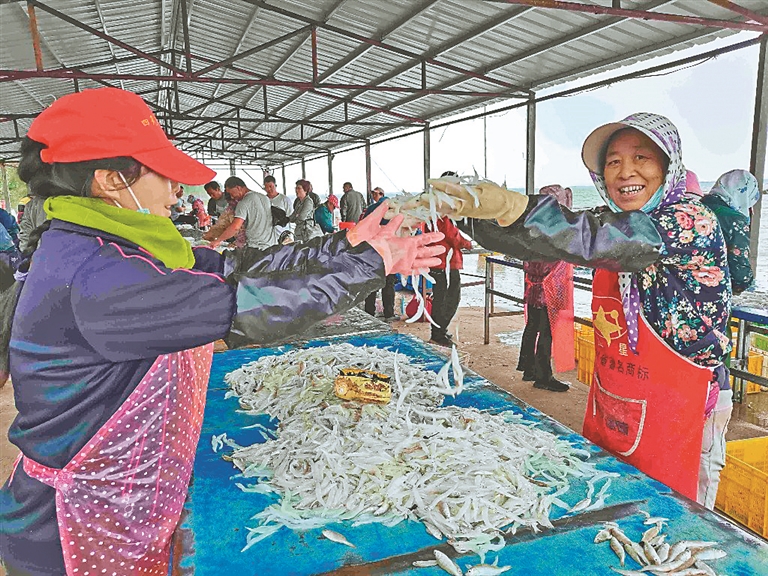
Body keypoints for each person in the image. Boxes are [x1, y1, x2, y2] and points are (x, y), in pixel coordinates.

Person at [0, 86, 445, 575]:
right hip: (78, 523)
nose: (177, 192)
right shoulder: (97, 274)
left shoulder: (121, 245)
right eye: (165, 176)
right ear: (110, 181)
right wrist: (366, 266)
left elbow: (242, 268)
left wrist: (345, 244)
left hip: (122, 494)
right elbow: (247, 304)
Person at [426, 113, 732, 509]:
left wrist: (517, 205)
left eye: (642, 158)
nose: (625, 172)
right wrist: (476, 217)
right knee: (617, 505)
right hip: (619, 396)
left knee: (677, 520)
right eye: (613, 162)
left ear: (668, 166)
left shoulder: (688, 220)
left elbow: (594, 240)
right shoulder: (618, 221)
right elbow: (548, 244)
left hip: (684, 405)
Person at [515, 185, 575, 391]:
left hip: (532, 289)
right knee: (546, 332)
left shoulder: (532, 226)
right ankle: (543, 376)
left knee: (532, 327)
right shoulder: (553, 231)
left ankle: (528, 368)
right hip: (548, 291)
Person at [426, 173, 473, 348]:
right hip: (444, 261)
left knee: (442, 297)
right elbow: (451, 234)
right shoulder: (442, 206)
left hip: (438, 258)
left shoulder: (433, 203)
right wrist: (467, 243)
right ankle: (437, 333)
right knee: (448, 298)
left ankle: (439, 330)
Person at [699, 170, 760, 295]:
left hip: (684, 286)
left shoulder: (697, 208)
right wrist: (750, 289)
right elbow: (740, 271)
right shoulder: (734, 220)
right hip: (714, 292)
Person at [208, 177, 275, 250]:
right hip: (270, 246)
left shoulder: (243, 203)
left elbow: (235, 227)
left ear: (238, 188)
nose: (232, 197)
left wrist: (218, 241)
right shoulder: (265, 198)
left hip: (255, 247)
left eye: (231, 193)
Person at [362, 187, 398, 321]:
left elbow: (363, 227)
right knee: (388, 282)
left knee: (373, 281)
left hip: (373, 248)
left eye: (375, 194)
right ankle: (389, 313)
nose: (374, 196)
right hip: (389, 249)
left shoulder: (371, 209)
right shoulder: (394, 210)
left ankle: (369, 312)